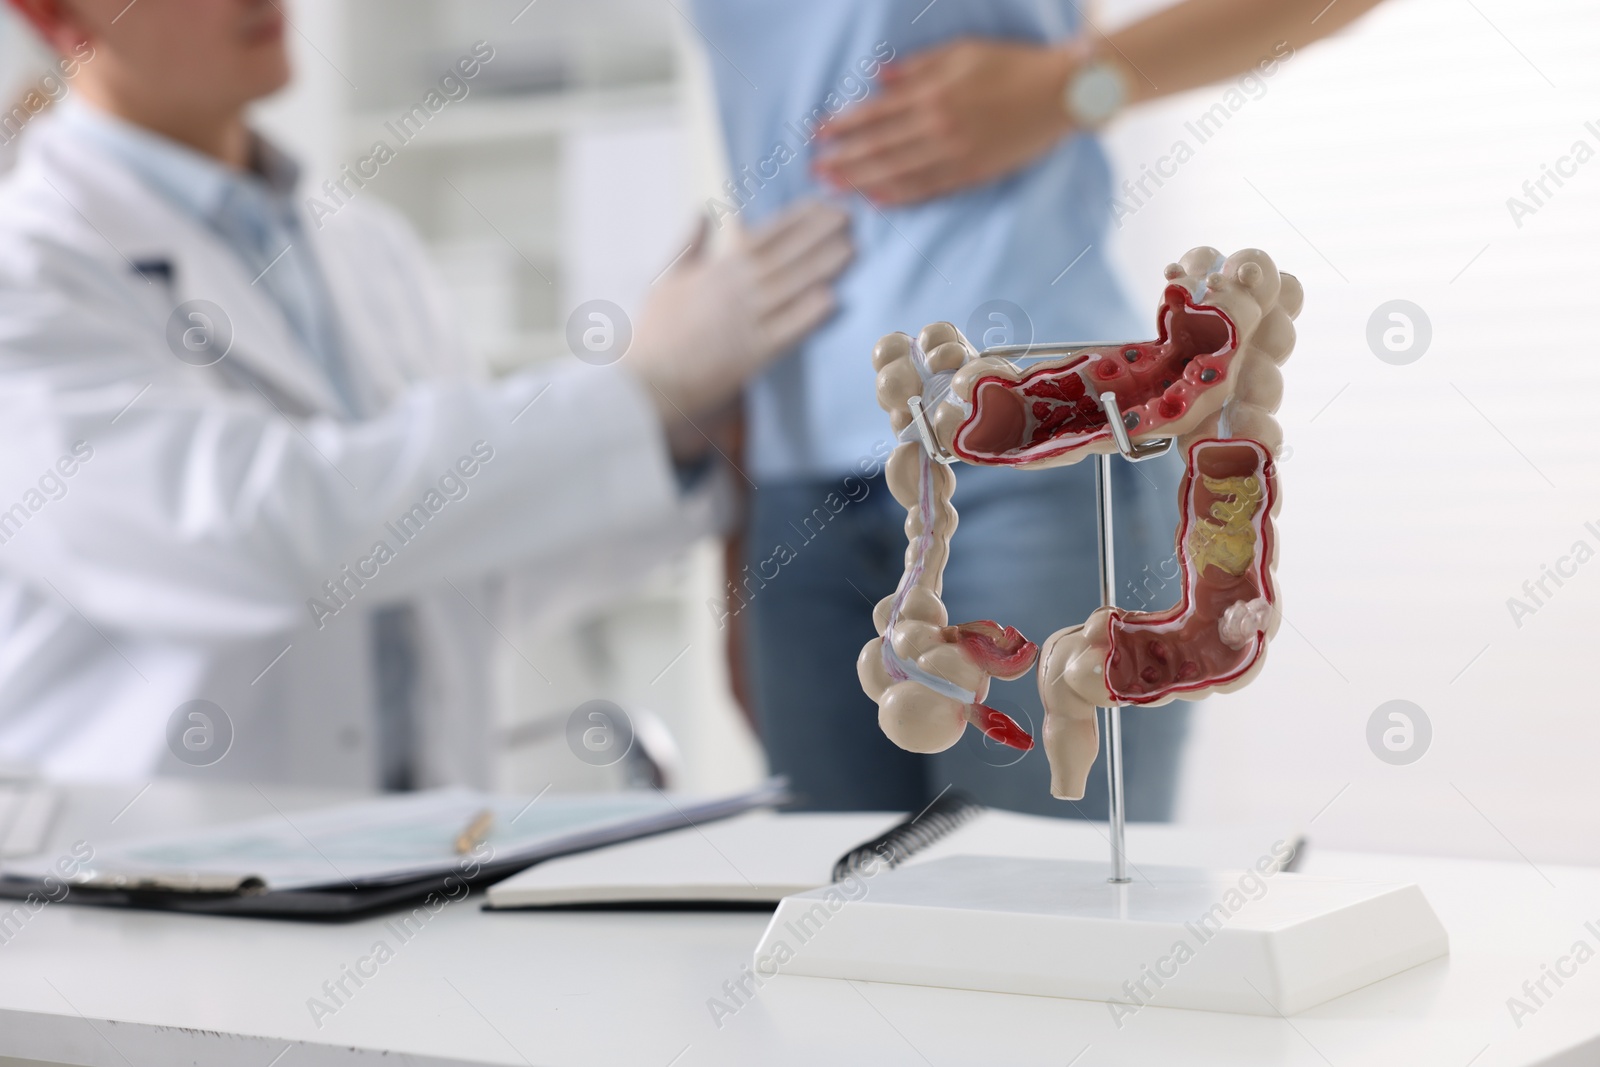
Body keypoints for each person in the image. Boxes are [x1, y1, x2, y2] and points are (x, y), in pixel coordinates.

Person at [0, 0, 852, 787]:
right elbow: (257, 531)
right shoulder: (30, 269)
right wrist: (639, 389)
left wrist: (673, 437)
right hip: (147, 901)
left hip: (411, 861)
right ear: (53, 12)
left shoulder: (366, 246)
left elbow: (465, 562)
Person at [688, 0, 1383, 816]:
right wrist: (734, 508)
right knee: (837, 914)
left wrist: (1070, 88)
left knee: (1062, 910)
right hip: (792, 470)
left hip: (1045, 448)